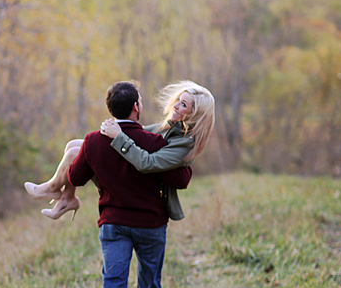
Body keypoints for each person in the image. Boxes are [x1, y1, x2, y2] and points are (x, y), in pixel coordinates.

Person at [43, 81, 194, 288]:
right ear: (137, 106)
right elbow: (180, 179)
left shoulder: (94, 141)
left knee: (113, 283)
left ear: (110, 108)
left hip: (113, 224)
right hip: (150, 225)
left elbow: (74, 178)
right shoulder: (156, 142)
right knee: (150, 284)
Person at [24, 80, 215, 221]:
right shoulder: (169, 127)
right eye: (178, 100)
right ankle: (67, 197)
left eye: (183, 104)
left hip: (142, 182)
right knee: (74, 145)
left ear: (195, 114)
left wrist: (117, 135)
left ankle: (52, 188)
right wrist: (112, 128)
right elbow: (136, 133)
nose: (176, 105)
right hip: (134, 171)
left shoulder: (186, 141)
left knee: (76, 152)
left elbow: (148, 163)